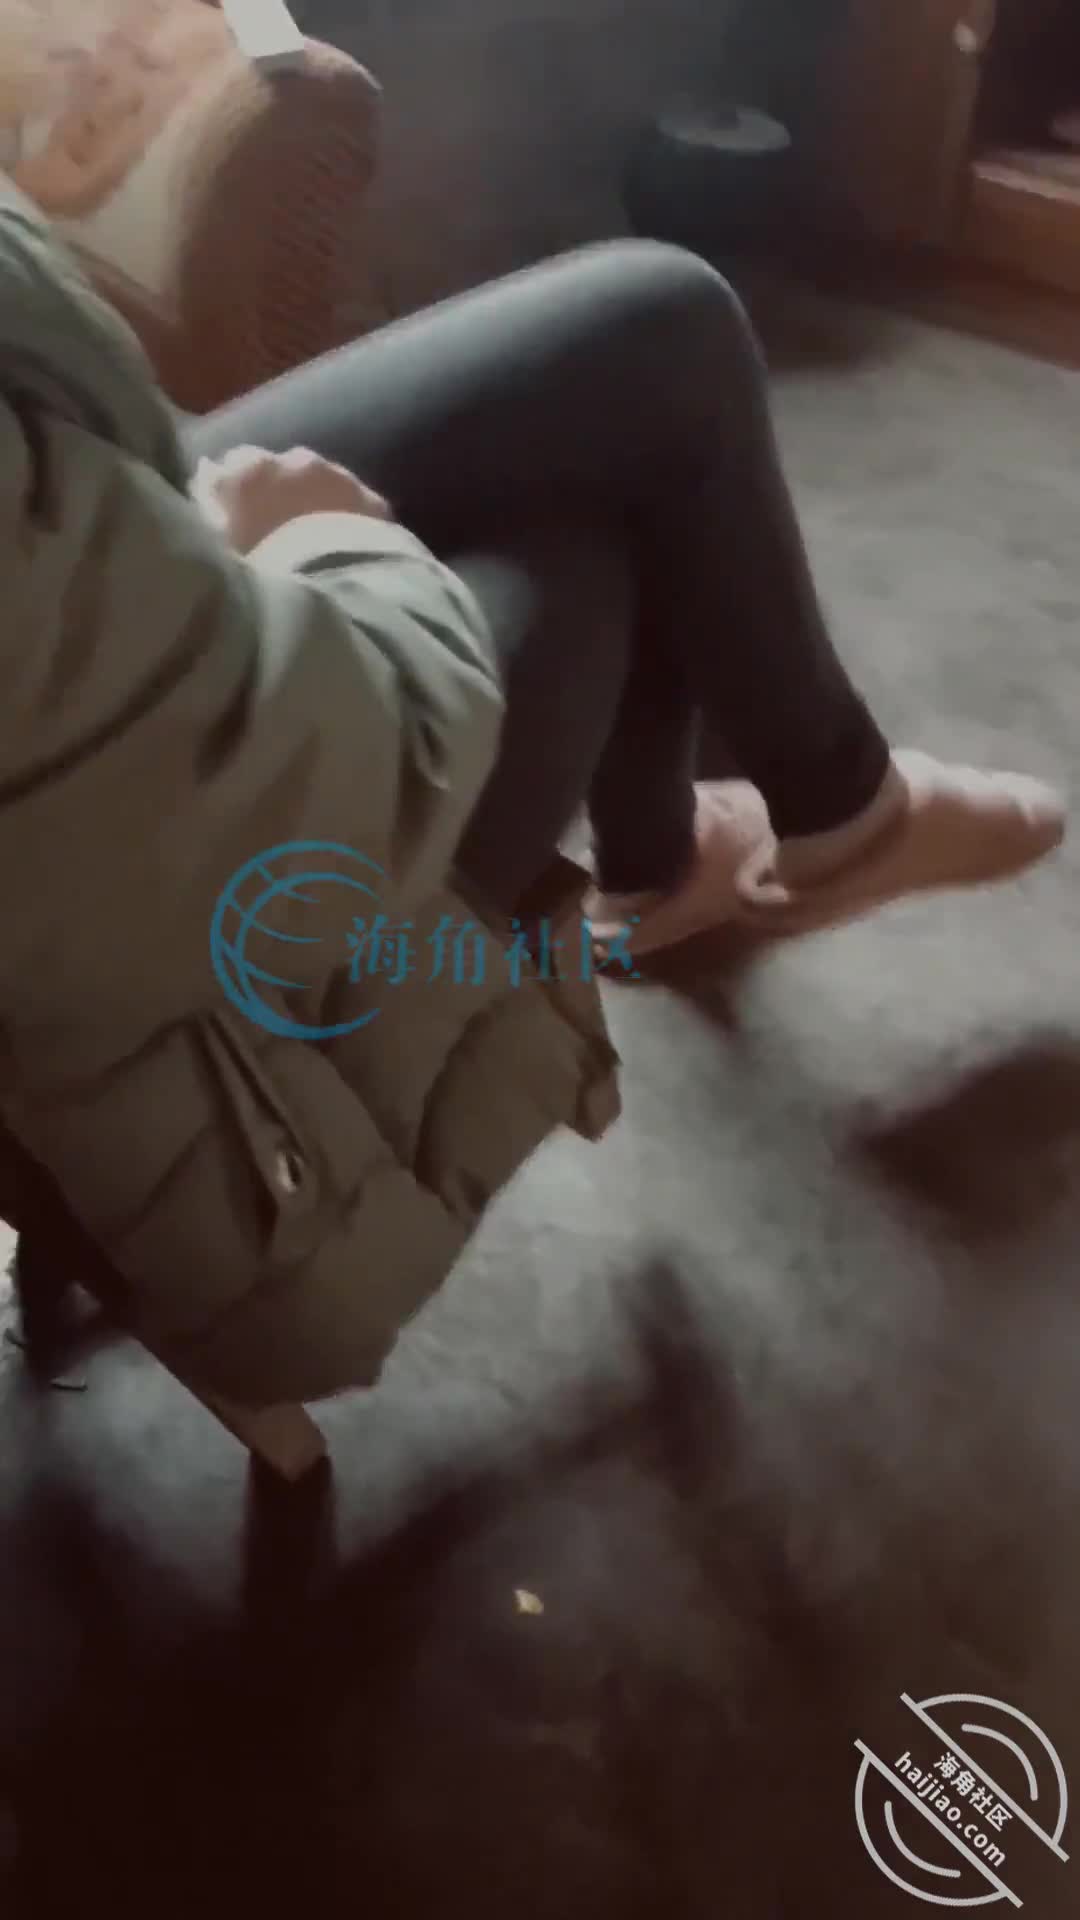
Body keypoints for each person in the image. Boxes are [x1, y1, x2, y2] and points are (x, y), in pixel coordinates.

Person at [0, 175, 1064, 1411]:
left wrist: (187, 555)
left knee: (646, 339)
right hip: (199, 949)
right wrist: (309, 550)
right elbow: (356, 776)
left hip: (99, 611)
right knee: (595, 510)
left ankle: (701, 850)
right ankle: (797, 822)